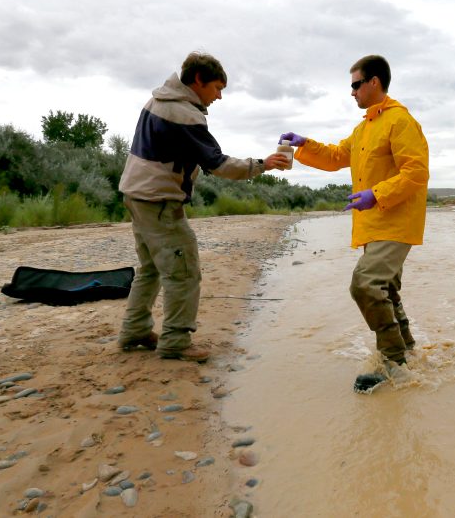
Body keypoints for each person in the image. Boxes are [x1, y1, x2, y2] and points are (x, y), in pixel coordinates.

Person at [118, 52, 290, 363]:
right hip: (158, 199)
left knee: (152, 268)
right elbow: (218, 164)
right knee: (184, 272)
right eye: (217, 88)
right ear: (198, 80)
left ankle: (135, 331)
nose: (219, 96)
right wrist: (263, 164)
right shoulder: (183, 113)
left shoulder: (157, 101)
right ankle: (175, 342)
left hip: (136, 193)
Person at [280, 54, 429, 376]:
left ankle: (393, 362)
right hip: (373, 223)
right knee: (385, 288)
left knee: (364, 285)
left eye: (356, 85)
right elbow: (336, 156)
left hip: (397, 221)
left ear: (374, 82)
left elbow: (416, 173)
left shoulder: (400, 121)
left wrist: (376, 195)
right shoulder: (365, 128)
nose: (352, 93)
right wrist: (305, 143)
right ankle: (408, 349)